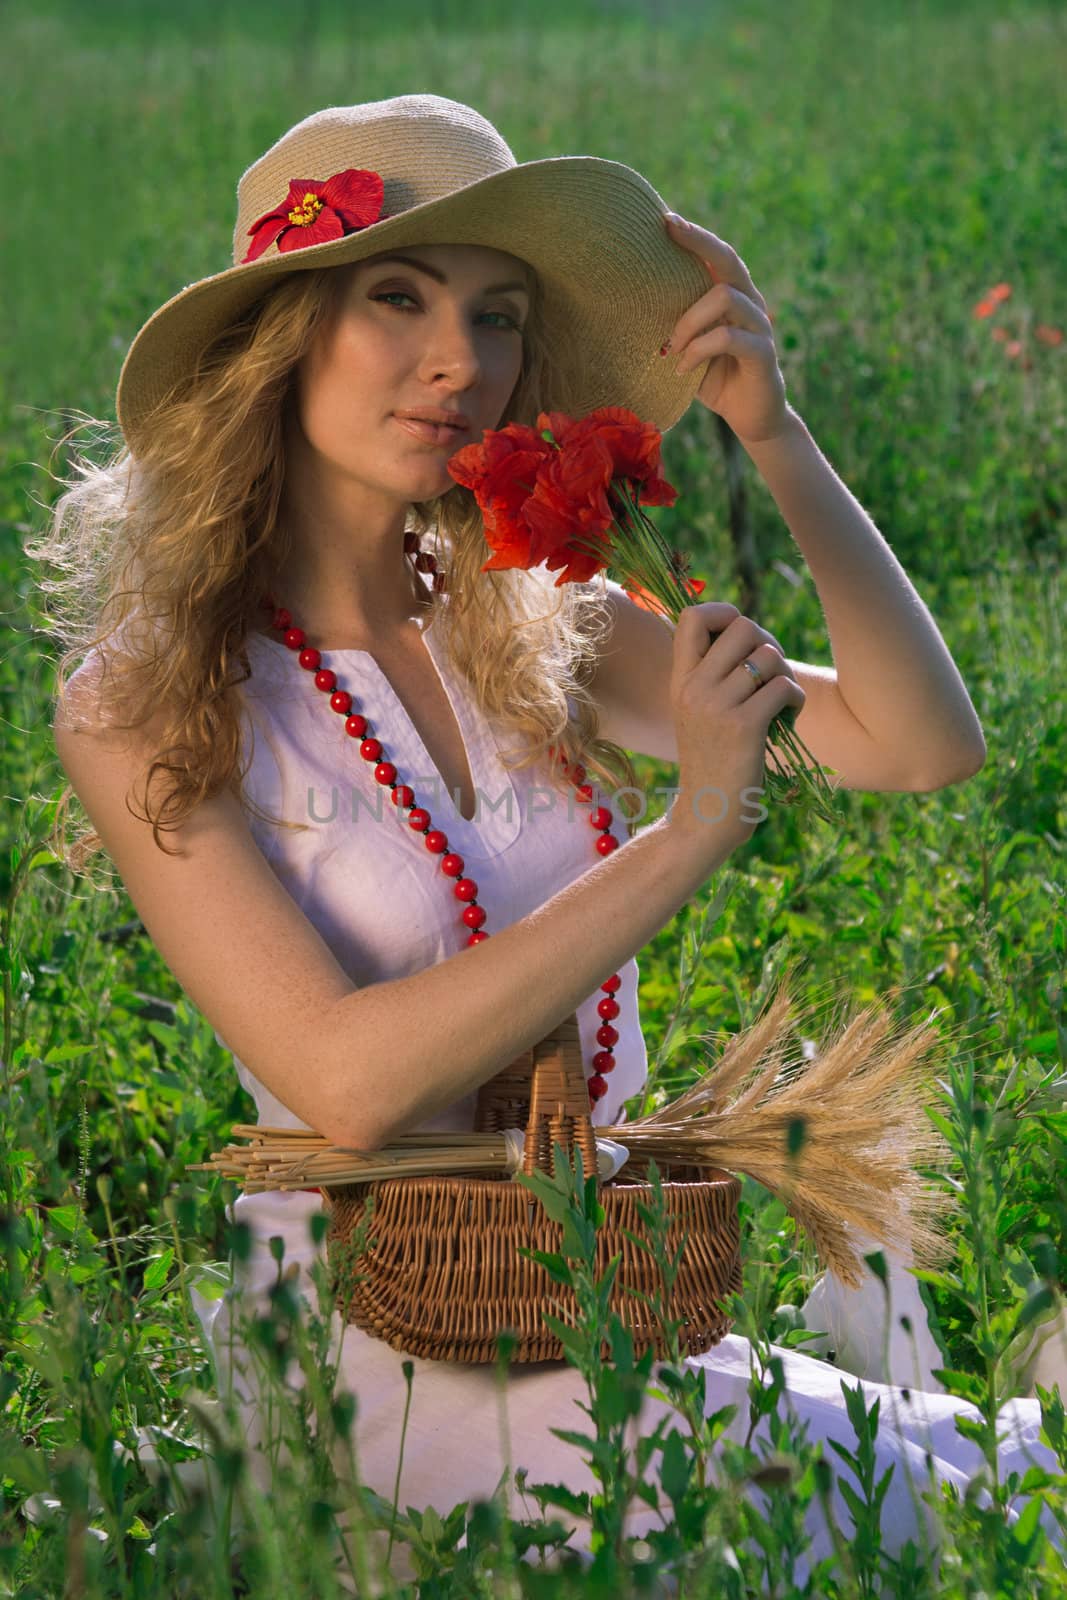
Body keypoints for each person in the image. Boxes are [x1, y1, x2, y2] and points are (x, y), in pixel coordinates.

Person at [40, 93, 1062, 1590]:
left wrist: (773, 438)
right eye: (399, 296)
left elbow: (917, 743)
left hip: (604, 1296)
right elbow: (348, 1078)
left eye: (500, 316)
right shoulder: (151, 697)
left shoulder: (527, 619)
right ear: (285, 332)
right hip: (375, 1342)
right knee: (845, 1517)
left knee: (961, 1482)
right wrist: (689, 828)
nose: (463, 361)